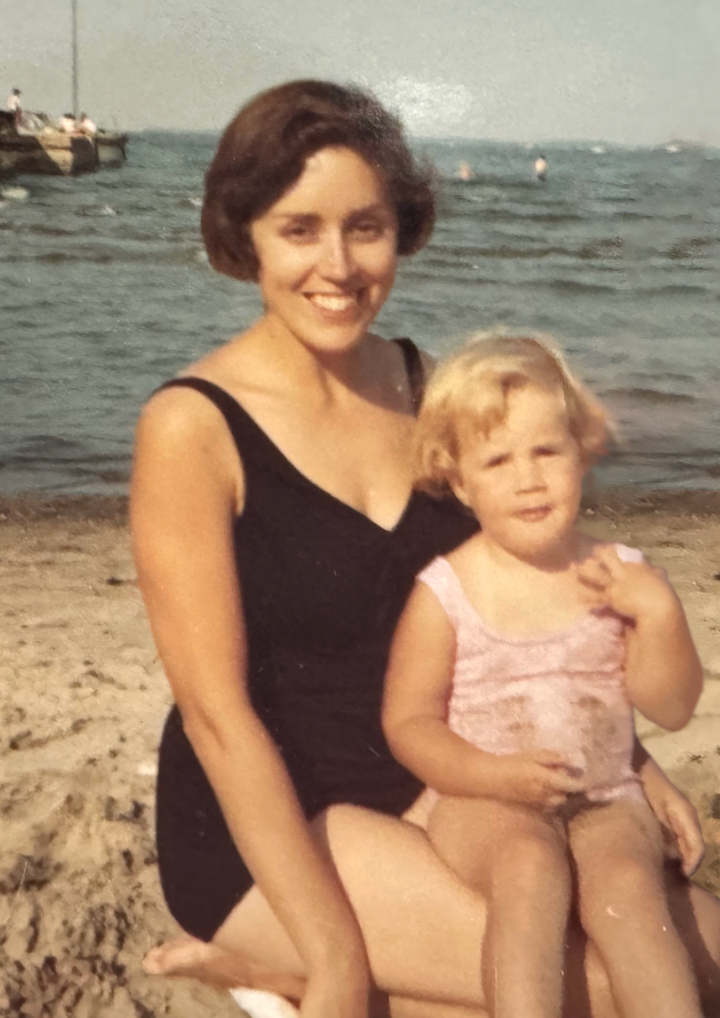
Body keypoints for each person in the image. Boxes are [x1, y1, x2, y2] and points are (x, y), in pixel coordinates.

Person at [131, 80, 720, 1018]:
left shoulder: (432, 389)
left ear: (401, 227)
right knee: (612, 991)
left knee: (701, 955)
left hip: (448, 783)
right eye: (300, 229)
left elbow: (523, 600)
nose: (338, 265)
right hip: (276, 824)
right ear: (246, 235)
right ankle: (274, 960)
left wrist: (630, 762)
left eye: (365, 227)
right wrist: (330, 959)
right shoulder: (192, 428)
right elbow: (215, 716)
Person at [383, 334, 704, 1018]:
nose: (527, 479)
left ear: (582, 454)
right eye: (497, 461)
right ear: (460, 481)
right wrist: (490, 776)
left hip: (605, 794)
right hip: (480, 801)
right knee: (528, 868)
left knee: (629, 887)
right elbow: (407, 723)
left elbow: (669, 706)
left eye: (546, 452)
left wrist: (661, 615)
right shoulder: (448, 590)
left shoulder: (619, 574)